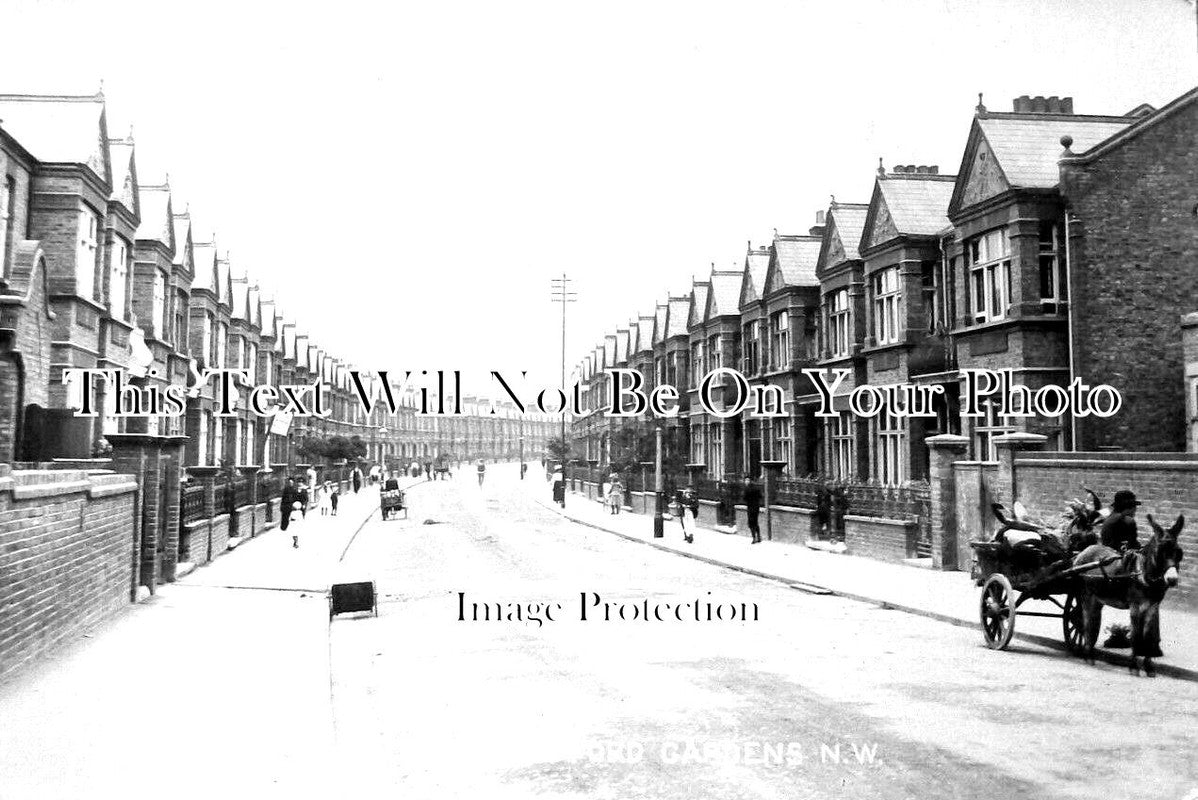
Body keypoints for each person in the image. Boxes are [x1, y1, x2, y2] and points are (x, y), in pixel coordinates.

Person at [743, 477, 763, 544]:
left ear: (749, 481)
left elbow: (744, 498)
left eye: (746, 480)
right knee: (756, 521)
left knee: (751, 523)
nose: (746, 482)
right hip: (756, 507)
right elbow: (760, 496)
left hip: (750, 507)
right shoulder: (757, 488)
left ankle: (754, 538)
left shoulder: (747, 489)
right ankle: (759, 536)